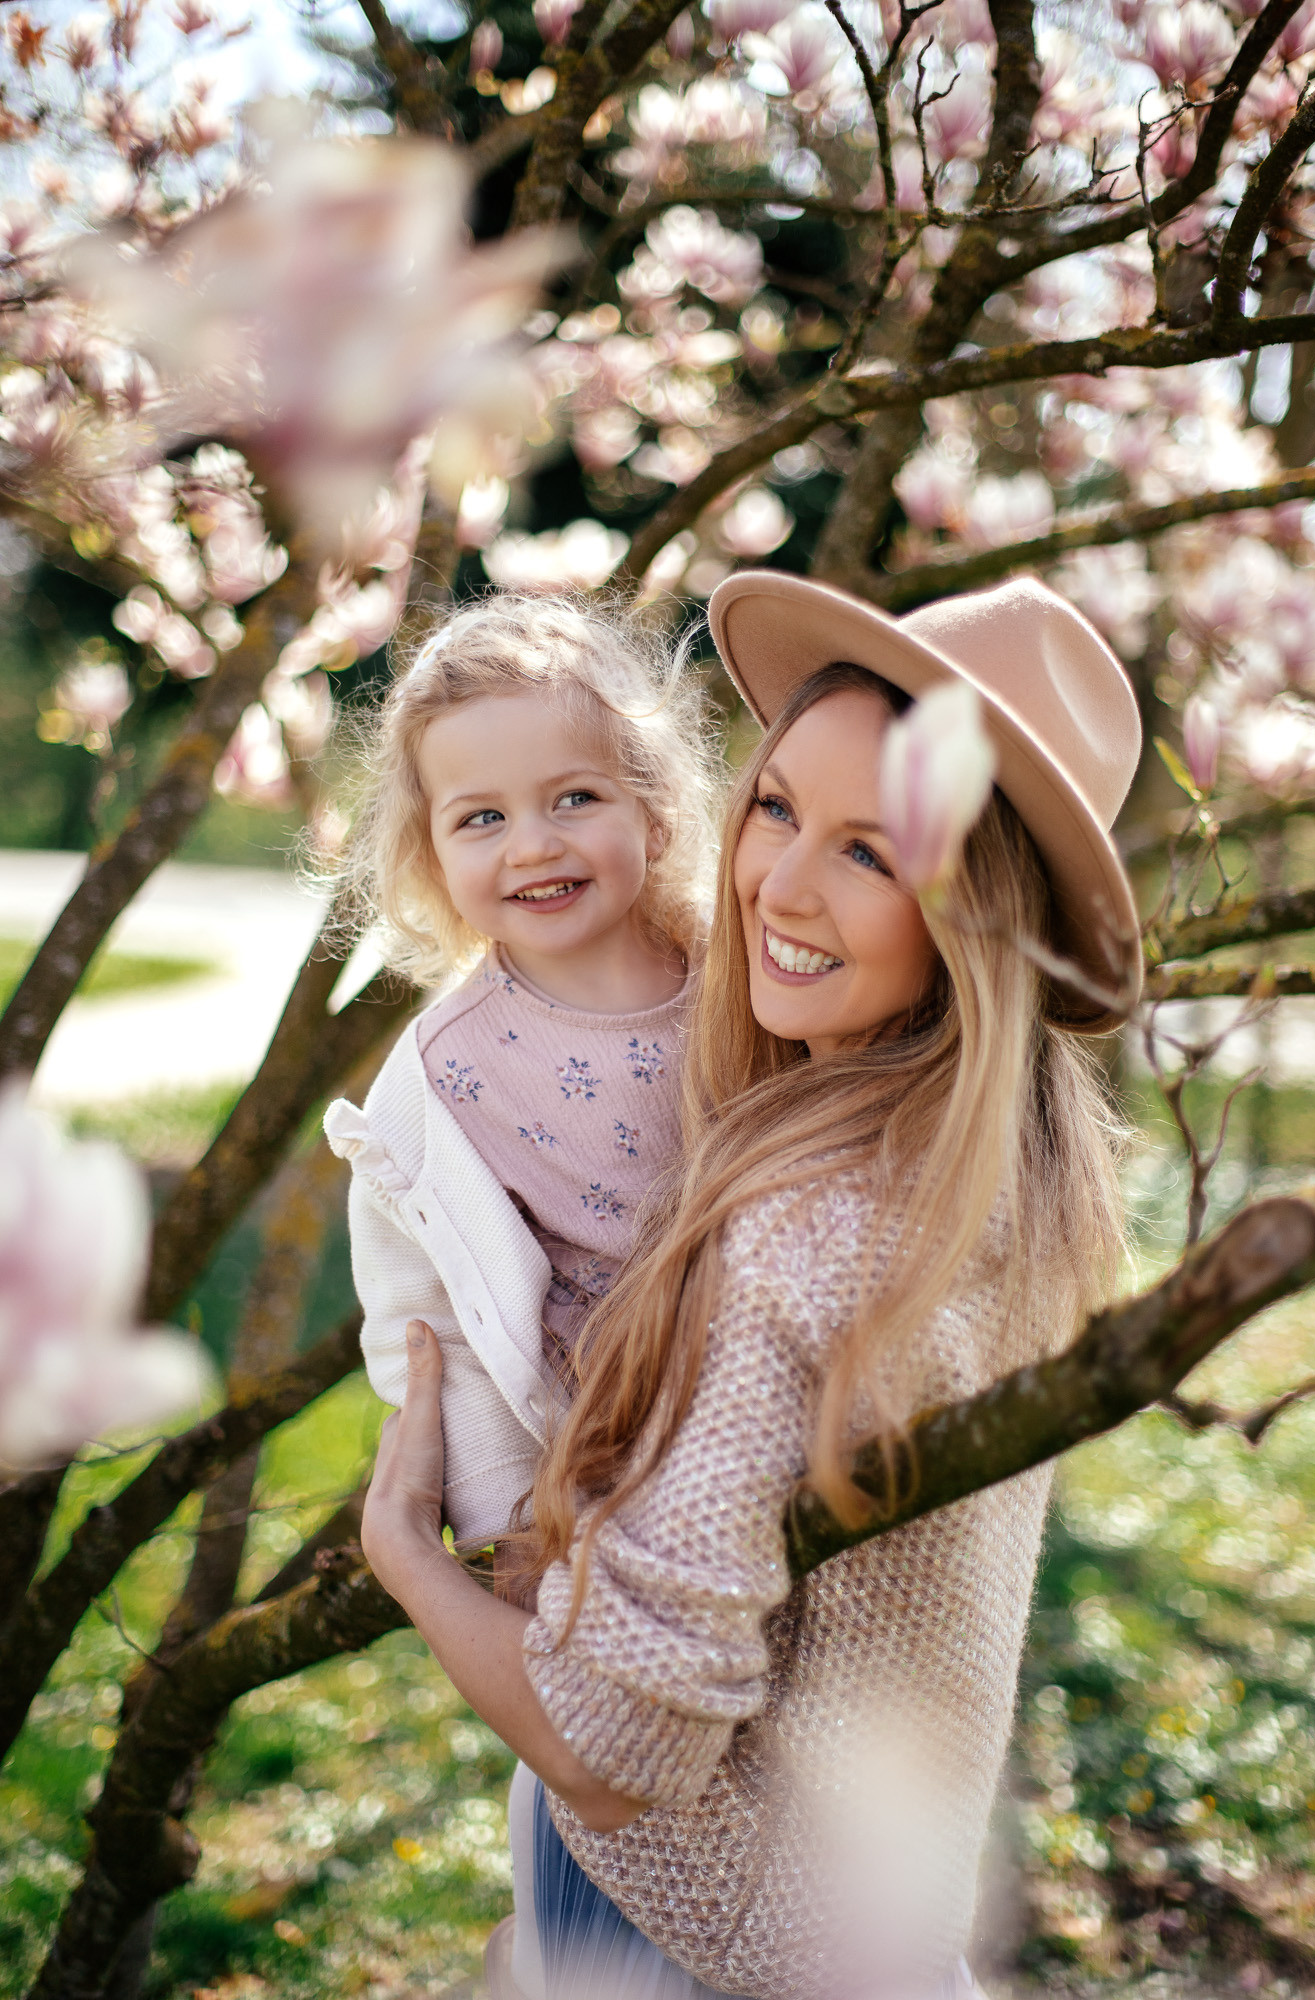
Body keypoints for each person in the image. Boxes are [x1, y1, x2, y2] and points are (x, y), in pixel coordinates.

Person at [358, 573, 1144, 2000]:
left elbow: (613, 1758)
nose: (773, 886)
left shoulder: (808, 1230)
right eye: (775, 807)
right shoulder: (988, 1170)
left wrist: (408, 1554)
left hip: (699, 1925)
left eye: (870, 850)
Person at [322, 592, 718, 1995]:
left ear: (652, 801)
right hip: (595, 1467)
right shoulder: (441, 1077)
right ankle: (565, 1948)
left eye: (573, 797)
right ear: (425, 853)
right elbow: (429, 1325)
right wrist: (501, 1522)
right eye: (479, 818)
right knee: (614, 1776)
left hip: (755, 1411)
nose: (534, 844)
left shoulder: (736, 973)